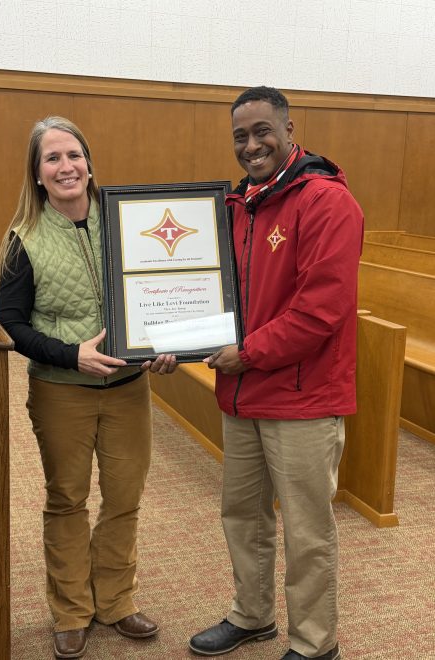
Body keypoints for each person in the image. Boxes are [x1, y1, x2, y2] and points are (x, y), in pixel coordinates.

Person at [189, 86, 364, 660]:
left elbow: (320, 312)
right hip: (243, 394)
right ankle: (252, 614)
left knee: (306, 530)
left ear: (289, 129)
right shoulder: (237, 205)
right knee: (242, 516)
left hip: (302, 398)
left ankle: (314, 643)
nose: (251, 145)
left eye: (262, 130)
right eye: (240, 135)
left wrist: (246, 353)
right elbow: (208, 291)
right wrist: (169, 341)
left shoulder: (326, 202)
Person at [0, 116, 176, 659]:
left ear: (89, 164)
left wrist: (167, 342)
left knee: (124, 499)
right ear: (37, 173)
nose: (66, 166)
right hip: (61, 391)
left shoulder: (127, 223)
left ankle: (116, 601)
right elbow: (11, 324)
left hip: (129, 389)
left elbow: (162, 288)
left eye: (73, 155)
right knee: (67, 501)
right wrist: (71, 354)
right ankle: (71, 611)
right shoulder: (23, 239)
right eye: (52, 158)